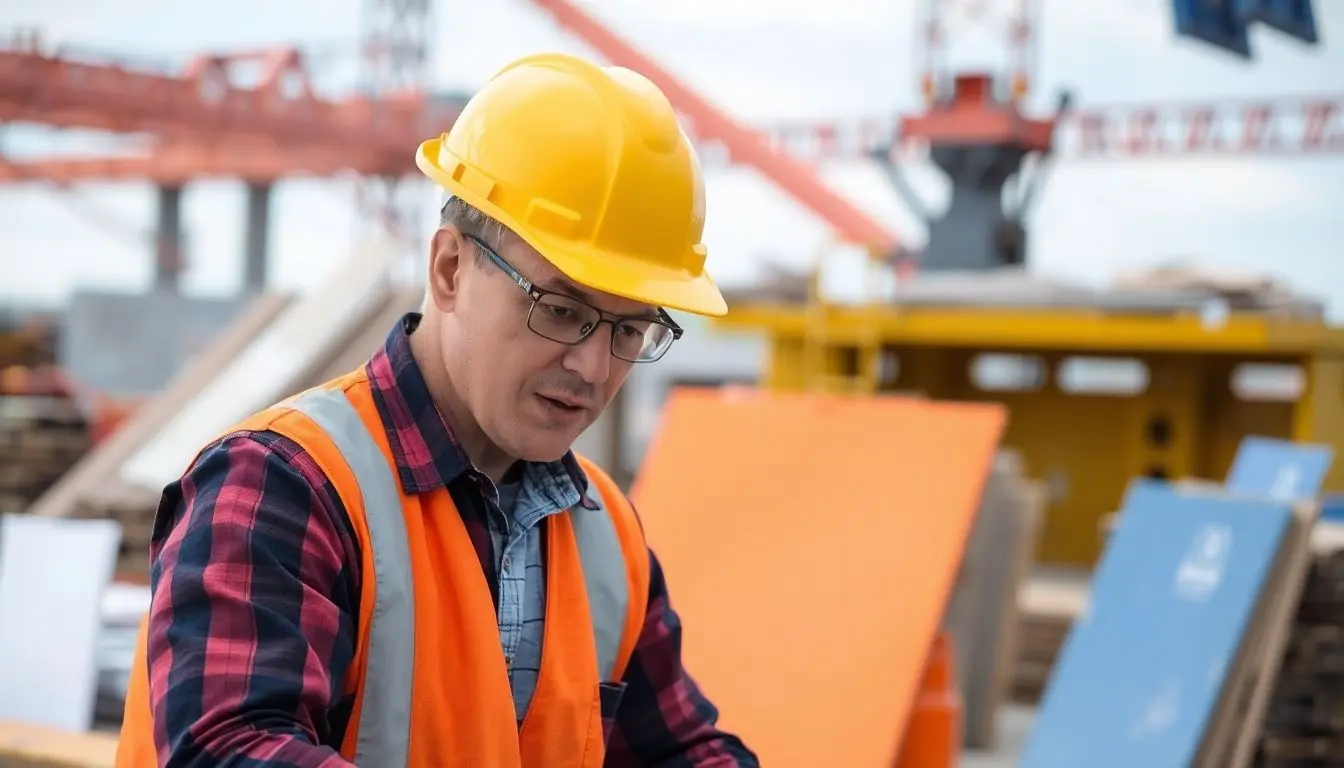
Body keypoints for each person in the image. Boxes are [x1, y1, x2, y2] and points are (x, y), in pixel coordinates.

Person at [114, 52, 759, 767]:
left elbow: (683, 750)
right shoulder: (283, 484)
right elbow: (227, 749)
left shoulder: (606, 536)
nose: (594, 366)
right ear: (451, 269)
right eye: (562, 309)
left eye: (629, 330)